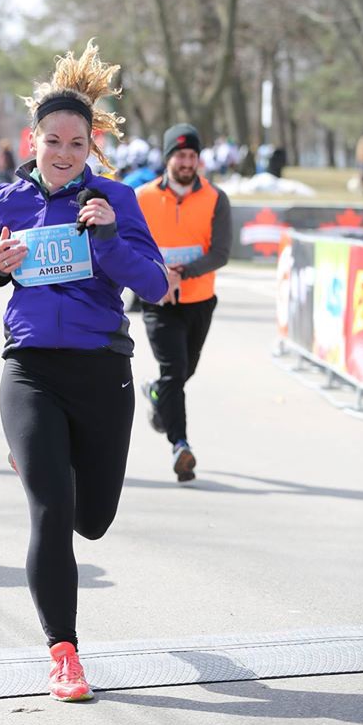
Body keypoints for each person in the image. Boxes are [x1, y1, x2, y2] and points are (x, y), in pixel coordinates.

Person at [0, 42, 168, 702]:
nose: (62, 151)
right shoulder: (7, 199)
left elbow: (157, 285)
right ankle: (64, 654)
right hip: (29, 370)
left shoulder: (116, 200)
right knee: (51, 512)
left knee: (93, 521)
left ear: (91, 147)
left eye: (76, 142)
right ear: (34, 139)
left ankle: (51, 463)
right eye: (52, 139)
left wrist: (108, 237)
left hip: (101, 372)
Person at [136, 123, 232, 483]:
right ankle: (180, 446)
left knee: (182, 373)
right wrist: (158, 275)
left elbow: (220, 253)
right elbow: (129, 244)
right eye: (180, 155)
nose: (187, 162)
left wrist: (183, 272)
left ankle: (159, 393)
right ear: (167, 158)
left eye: (192, 155)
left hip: (199, 300)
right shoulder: (142, 197)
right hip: (158, 300)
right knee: (175, 370)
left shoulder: (215, 198)